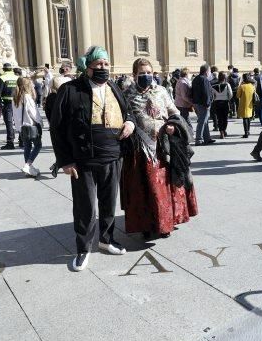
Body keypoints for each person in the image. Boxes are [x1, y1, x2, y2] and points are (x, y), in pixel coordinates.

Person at [50, 46, 135, 272]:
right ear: (86, 66)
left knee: (109, 202)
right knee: (85, 206)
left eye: (106, 64)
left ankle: (106, 240)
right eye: (98, 64)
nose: (103, 68)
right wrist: (65, 160)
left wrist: (130, 123)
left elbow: (128, 112)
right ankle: (83, 247)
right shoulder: (70, 90)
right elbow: (57, 128)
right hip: (83, 159)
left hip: (112, 156)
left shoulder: (114, 87)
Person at [122, 58, 198, 239]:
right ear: (134, 75)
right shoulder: (127, 95)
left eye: (149, 72)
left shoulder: (162, 91)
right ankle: (146, 226)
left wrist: (172, 125)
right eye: (142, 73)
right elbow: (124, 116)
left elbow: (175, 113)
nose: (146, 76)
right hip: (140, 149)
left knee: (164, 187)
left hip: (163, 147)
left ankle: (165, 224)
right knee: (145, 188)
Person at [14, 76, 43, 177]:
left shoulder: (15, 97)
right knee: (38, 145)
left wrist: (18, 127)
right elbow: (33, 113)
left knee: (27, 147)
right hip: (31, 125)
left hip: (22, 127)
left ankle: (29, 169)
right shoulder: (27, 97)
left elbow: (15, 114)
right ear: (27, 85)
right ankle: (28, 165)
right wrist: (40, 122)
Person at [44, 74, 71, 177]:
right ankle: (57, 165)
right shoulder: (57, 97)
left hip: (55, 126)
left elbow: (48, 112)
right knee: (63, 148)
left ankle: (57, 164)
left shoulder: (51, 97)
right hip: (62, 127)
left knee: (62, 148)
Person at [0, 62, 18, 150]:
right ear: (11, 69)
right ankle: (22, 140)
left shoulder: (2, 78)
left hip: (7, 103)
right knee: (19, 121)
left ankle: (10, 142)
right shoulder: (16, 77)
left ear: (3, 69)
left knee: (9, 122)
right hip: (17, 102)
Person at [191, 64, 216, 146]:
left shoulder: (196, 79)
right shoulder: (204, 79)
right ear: (206, 71)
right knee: (202, 121)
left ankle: (207, 138)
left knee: (205, 121)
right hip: (203, 104)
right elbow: (206, 93)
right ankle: (199, 139)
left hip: (197, 103)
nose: (210, 73)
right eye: (209, 71)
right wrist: (207, 103)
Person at [211, 71, 232, 139]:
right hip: (225, 102)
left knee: (219, 118)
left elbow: (212, 95)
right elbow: (231, 94)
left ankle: (221, 132)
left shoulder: (213, 85)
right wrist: (228, 98)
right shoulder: (227, 84)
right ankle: (224, 130)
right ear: (224, 77)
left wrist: (215, 98)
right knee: (225, 118)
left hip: (217, 102)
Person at [174, 67, 194, 134]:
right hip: (182, 104)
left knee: (184, 120)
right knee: (186, 120)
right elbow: (184, 96)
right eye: (189, 73)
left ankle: (187, 133)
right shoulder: (183, 82)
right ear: (186, 74)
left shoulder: (182, 81)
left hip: (181, 104)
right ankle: (191, 133)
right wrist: (191, 102)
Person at [236, 73, 255, 138]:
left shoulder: (242, 86)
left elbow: (237, 95)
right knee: (249, 118)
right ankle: (248, 131)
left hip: (243, 104)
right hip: (250, 104)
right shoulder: (252, 86)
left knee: (245, 118)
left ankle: (246, 132)